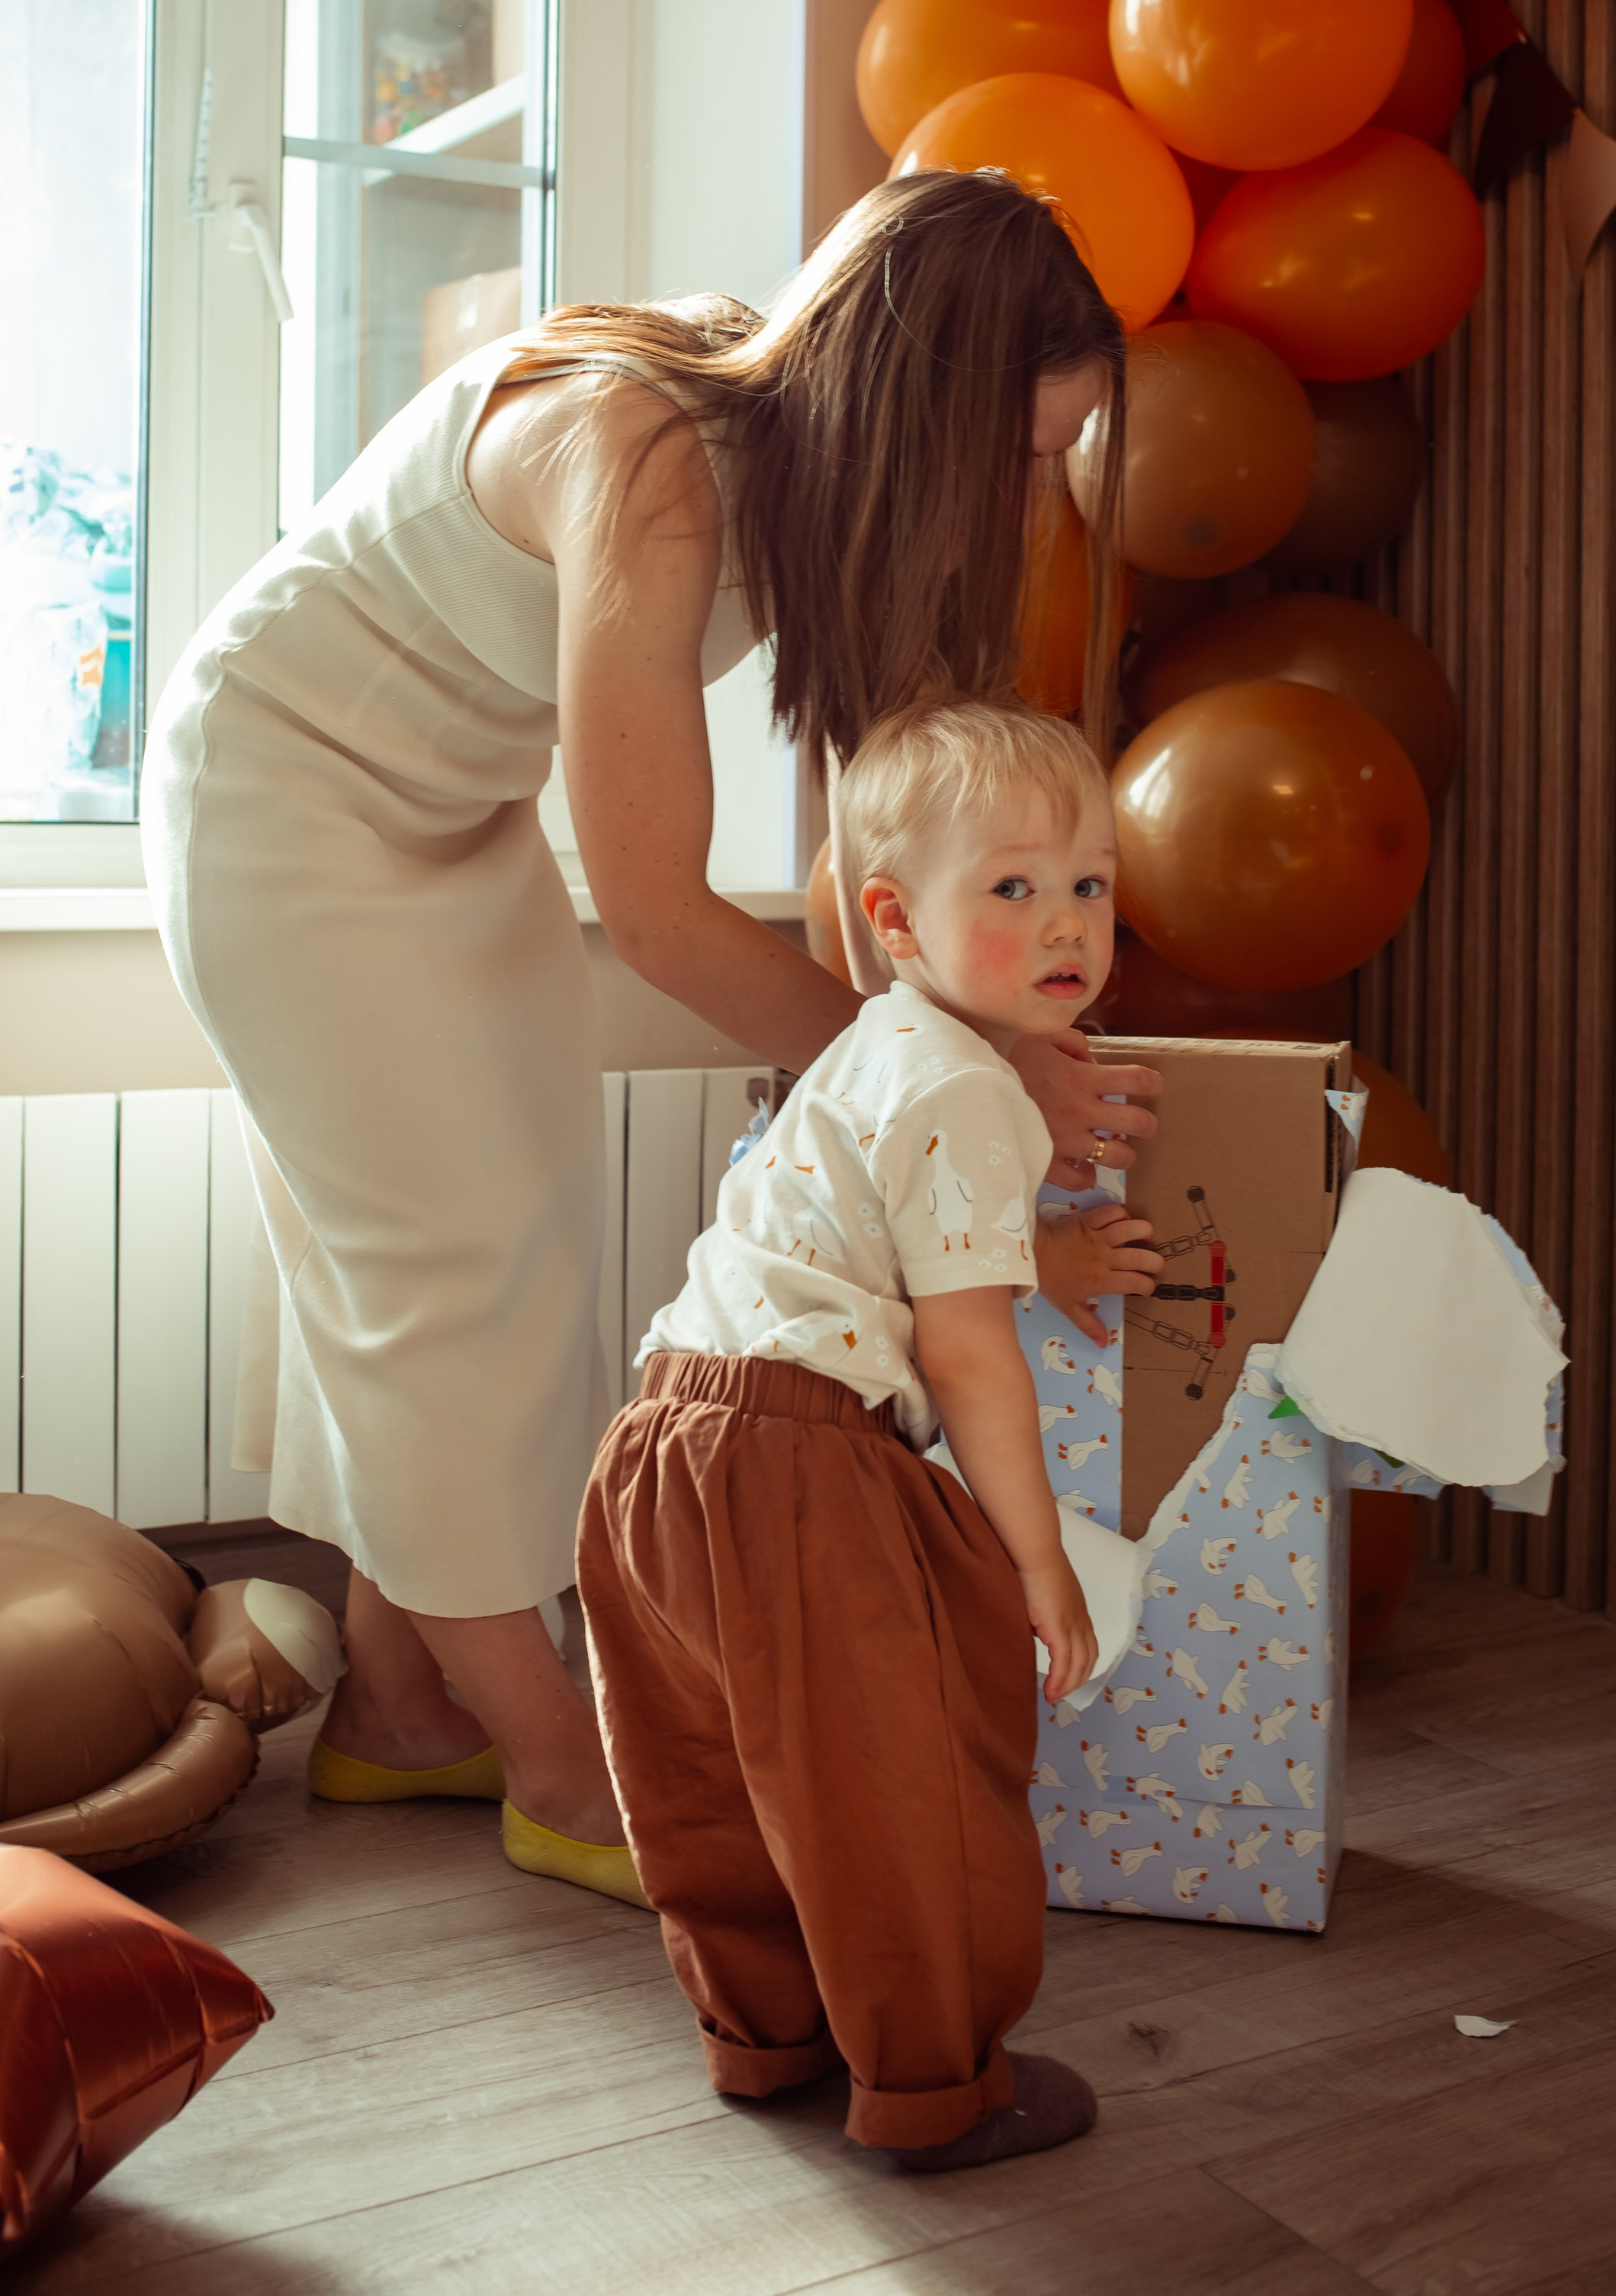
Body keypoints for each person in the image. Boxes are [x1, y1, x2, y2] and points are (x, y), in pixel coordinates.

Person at [141, 168, 1158, 1905]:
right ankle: (562, 1769)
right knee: (441, 1273)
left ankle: (397, 1707)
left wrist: (966, 1033)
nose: (1026, 491)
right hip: (283, 805)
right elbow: (664, 911)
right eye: (1014, 449)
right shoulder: (653, 457)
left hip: (450, 816)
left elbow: (883, 854)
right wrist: (951, 1080)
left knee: (515, 1256)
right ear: (917, 403)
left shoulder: (829, 496)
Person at [580, 696, 1158, 2166]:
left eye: (1089, 882)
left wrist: (1052, 1255)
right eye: (1012, 887)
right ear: (898, 918)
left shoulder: (875, 1047)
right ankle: (932, 2083)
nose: (1065, 924)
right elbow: (964, 1347)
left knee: (712, 1771)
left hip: (660, 1436)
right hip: (792, 1456)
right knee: (894, 1773)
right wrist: (1038, 1561)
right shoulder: (969, 1084)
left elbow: (893, 1237)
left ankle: (766, 2037)